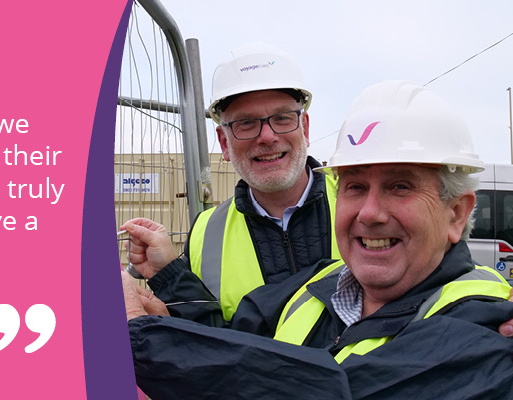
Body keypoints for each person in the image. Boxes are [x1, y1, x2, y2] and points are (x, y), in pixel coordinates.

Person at [125, 80, 513, 399]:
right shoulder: (318, 285)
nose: (370, 213)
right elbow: (231, 346)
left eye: (400, 186)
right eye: (356, 187)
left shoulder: (482, 321)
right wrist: (167, 295)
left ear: (456, 213)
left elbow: (337, 389)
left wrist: (139, 335)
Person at [123, 43, 339, 323]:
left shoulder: (362, 207)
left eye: (282, 118)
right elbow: (211, 337)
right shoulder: (205, 233)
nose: (267, 137)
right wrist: (168, 275)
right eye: (247, 123)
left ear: (305, 128)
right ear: (224, 143)